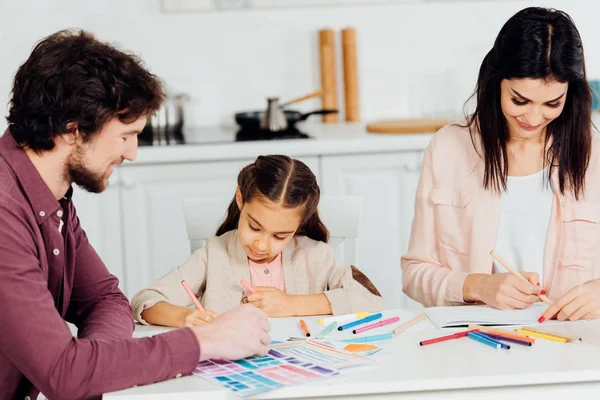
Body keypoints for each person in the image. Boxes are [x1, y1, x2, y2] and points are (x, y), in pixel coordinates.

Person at [0, 29, 270, 400]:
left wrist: (95, 366)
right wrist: (202, 341)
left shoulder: (49, 195)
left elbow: (105, 300)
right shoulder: (4, 212)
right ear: (72, 130)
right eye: (126, 135)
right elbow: (63, 374)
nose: (132, 153)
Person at [402, 7, 600, 323]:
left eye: (552, 104)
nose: (534, 118)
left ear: (570, 95)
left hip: (575, 342)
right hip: (478, 338)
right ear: (495, 82)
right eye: (519, 101)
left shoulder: (595, 154)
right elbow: (414, 275)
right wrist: (478, 286)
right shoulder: (450, 148)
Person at [131, 154, 383, 328]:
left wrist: (291, 305)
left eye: (279, 236)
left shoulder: (315, 255)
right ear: (241, 200)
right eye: (254, 226)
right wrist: (186, 316)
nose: (262, 245)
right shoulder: (215, 254)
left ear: (299, 225)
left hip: (301, 371)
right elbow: (144, 301)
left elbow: (370, 299)